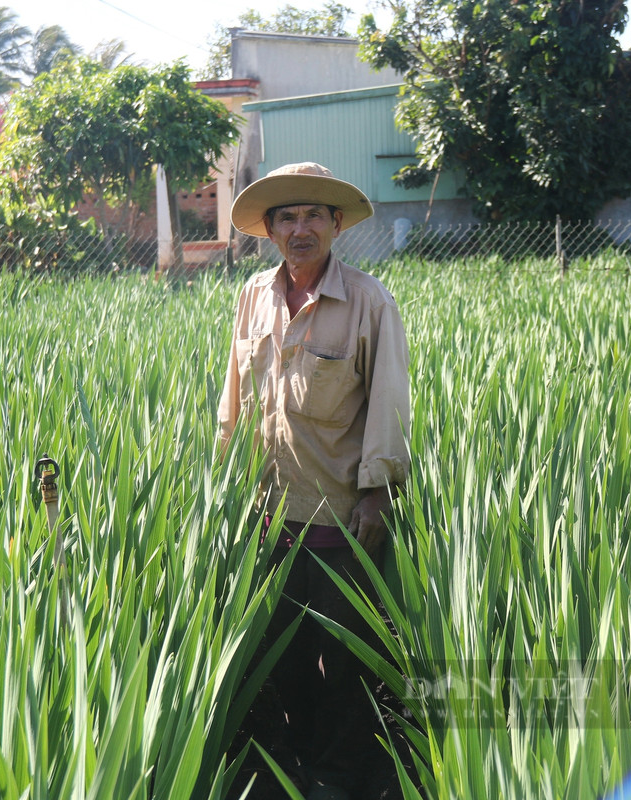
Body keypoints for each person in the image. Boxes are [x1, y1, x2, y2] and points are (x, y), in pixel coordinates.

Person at [218, 163, 411, 799]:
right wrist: (224, 480)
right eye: (287, 217)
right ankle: (294, 766)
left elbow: (388, 403)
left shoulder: (368, 301)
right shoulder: (253, 295)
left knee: (342, 658)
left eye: (313, 216)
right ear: (269, 230)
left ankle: (342, 775)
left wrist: (378, 492)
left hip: (338, 516)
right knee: (282, 650)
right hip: (269, 511)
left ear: (335, 226)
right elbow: (235, 398)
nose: (300, 229)